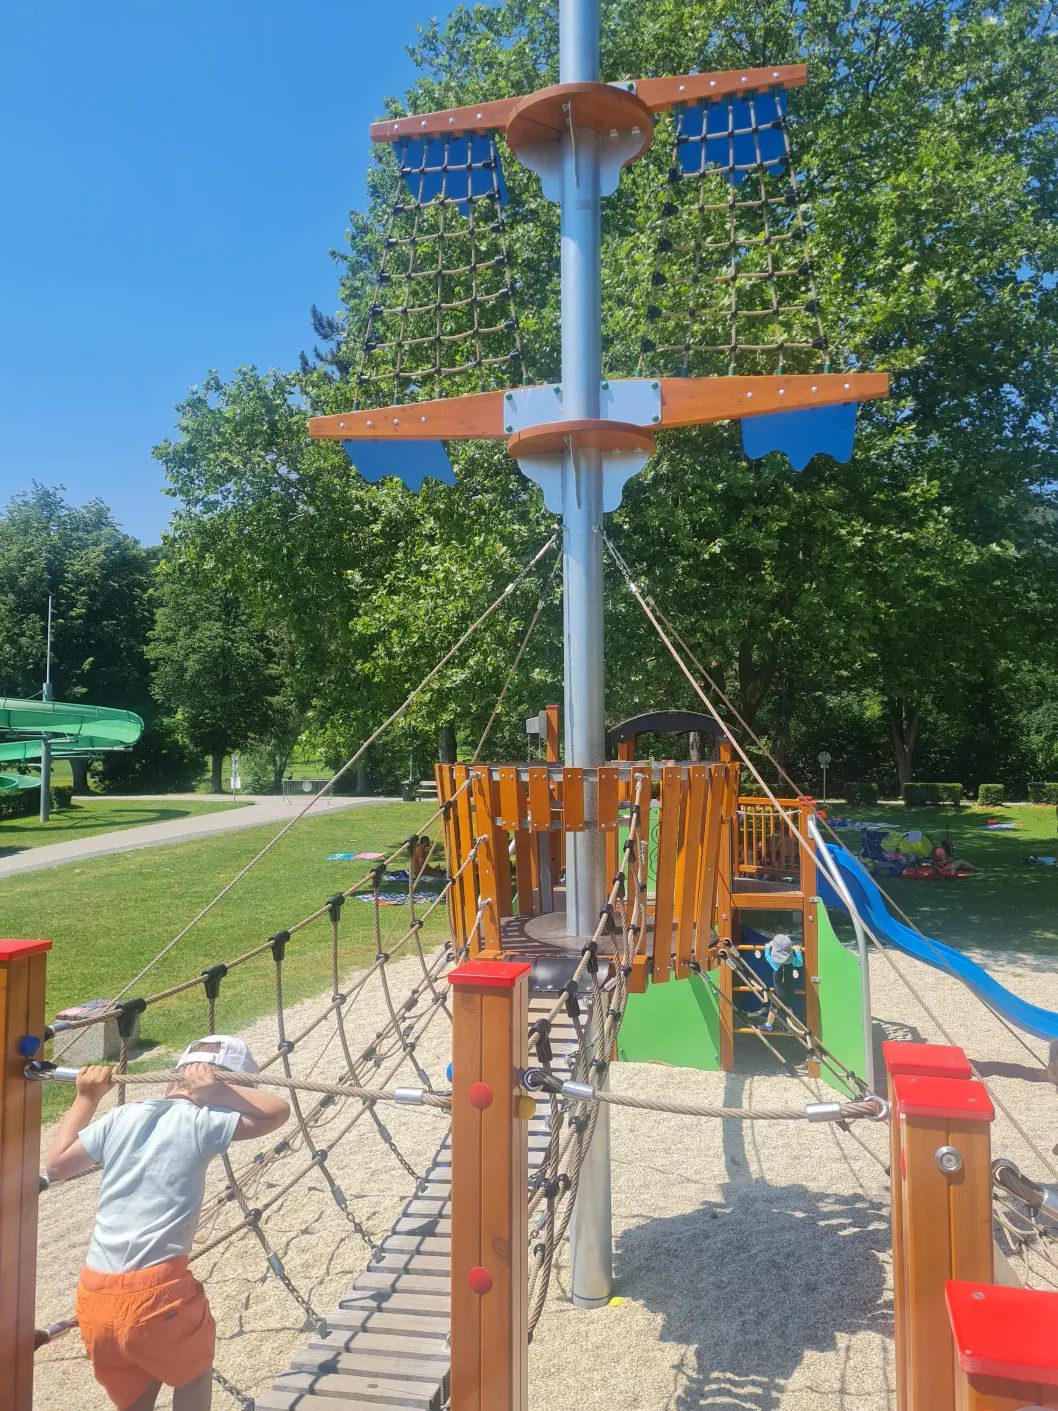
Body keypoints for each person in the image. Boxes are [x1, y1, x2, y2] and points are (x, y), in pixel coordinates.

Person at [45, 1035, 290, 1411]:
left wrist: (86, 1098)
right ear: (232, 1084)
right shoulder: (203, 1121)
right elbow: (276, 1111)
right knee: (193, 1372)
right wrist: (221, 1094)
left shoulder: (122, 1116)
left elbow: (58, 1165)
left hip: (94, 1297)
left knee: (135, 1397)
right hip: (158, 1295)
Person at [760, 932, 804, 1032]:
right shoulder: (793, 961)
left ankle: (768, 1025)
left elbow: (768, 958)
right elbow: (800, 963)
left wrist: (767, 948)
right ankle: (790, 1027)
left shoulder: (776, 964)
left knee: (773, 1008)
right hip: (789, 990)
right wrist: (797, 951)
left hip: (778, 993)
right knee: (788, 1009)